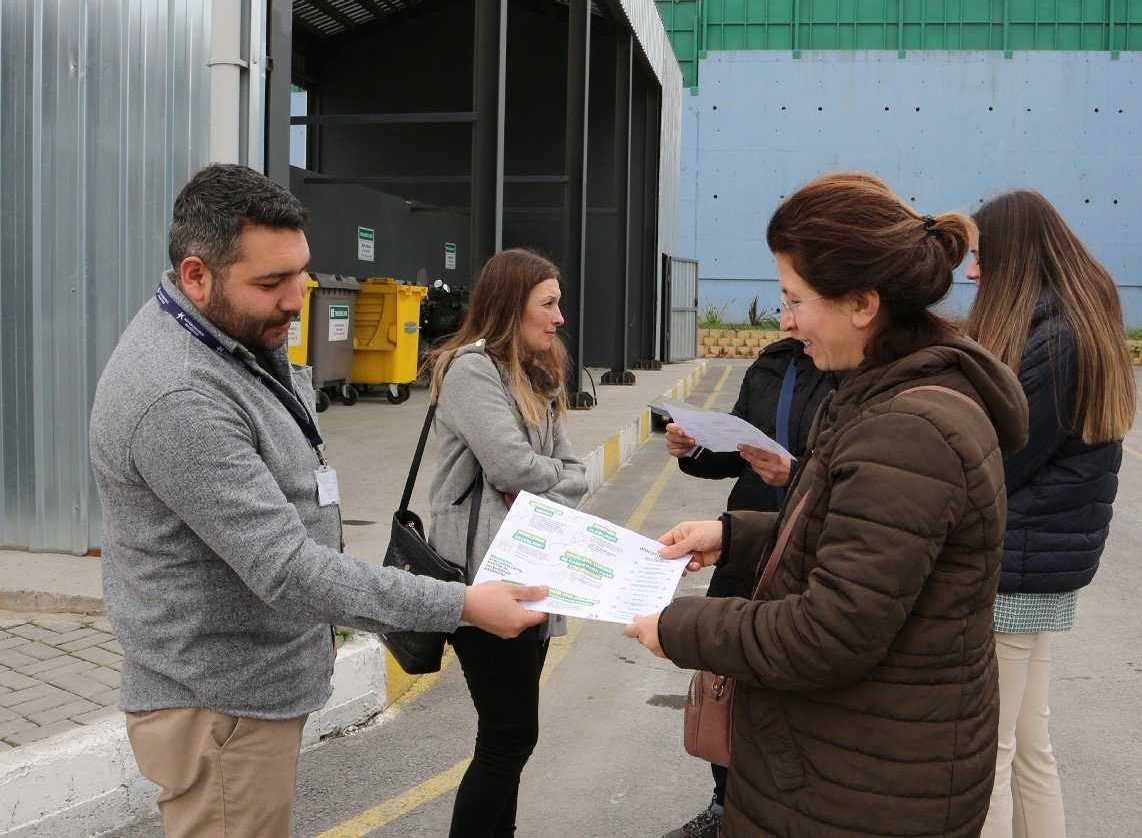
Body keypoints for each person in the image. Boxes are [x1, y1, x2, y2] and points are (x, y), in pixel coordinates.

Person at [88, 164, 547, 838]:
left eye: (302, 271)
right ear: (196, 275)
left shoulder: (229, 334)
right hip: (219, 709)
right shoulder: (179, 395)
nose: (298, 297)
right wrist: (462, 603)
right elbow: (288, 570)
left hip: (247, 693)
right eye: (272, 282)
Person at [626, 172, 1031, 835]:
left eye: (796, 299)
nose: (785, 321)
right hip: (848, 765)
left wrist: (678, 628)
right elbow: (849, 535)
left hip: (867, 789)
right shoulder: (882, 392)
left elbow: (830, 632)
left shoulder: (910, 429)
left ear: (863, 304)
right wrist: (735, 535)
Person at [967, 190, 1137, 838]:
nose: (972, 271)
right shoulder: (1076, 325)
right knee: (1029, 748)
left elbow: (1001, 457)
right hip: (1037, 568)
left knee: (991, 755)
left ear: (1014, 254)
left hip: (1017, 567)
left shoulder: (1057, 341)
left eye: (981, 256)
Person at [427, 248, 589, 838]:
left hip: (530, 568)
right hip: (485, 578)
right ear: (509, 306)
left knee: (508, 737)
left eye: (558, 303)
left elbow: (577, 471)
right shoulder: (473, 370)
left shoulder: (538, 372)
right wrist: (550, 481)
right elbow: (509, 466)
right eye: (548, 304)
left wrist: (547, 483)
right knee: (509, 736)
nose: (559, 317)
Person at [661, 336, 831, 838]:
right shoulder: (772, 366)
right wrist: (693, 449)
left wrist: (795, 473)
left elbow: (859, 479)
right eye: (783, 299)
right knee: (728, 679)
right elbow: (735, 453)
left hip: (812, 546)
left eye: (798, 299)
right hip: (745, 542)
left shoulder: (854, 372)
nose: (788, 315)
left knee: (795, 685)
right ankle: (724, 806)